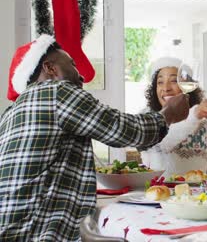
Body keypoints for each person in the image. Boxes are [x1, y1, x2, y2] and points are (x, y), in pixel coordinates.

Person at [0, 35, 196, 241]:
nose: (81, 76)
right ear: (50, 68)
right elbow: (126, 130)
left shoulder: (11, 112)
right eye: (72, 64)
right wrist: (169, 114)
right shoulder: (57, 92)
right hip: (36, 234)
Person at [139, 57, 207, 177]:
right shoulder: (147, 118)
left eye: (173, 81)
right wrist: (194, 115)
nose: (166, 88)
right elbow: (163, 141)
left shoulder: (203, 123)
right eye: (160, 82)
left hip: (197, 194)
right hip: (160, 192)